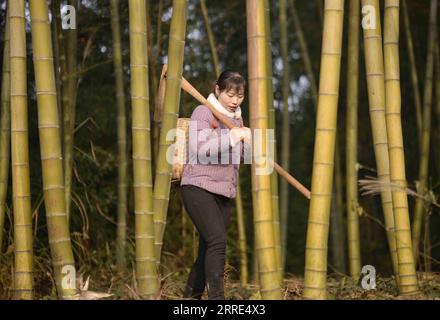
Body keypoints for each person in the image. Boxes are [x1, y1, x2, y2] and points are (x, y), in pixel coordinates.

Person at [180, 71, 251, 300]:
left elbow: (240, 158)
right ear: (217, 90)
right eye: (230, 94)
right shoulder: (203, 112)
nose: (235, 101)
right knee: (217, 242)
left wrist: (248, 142)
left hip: (222, 192)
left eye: (240, 96)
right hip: (198, 187)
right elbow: (200, 149)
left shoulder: (237, 119)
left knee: (207, 249)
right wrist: (232, 137)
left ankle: (190, 300)